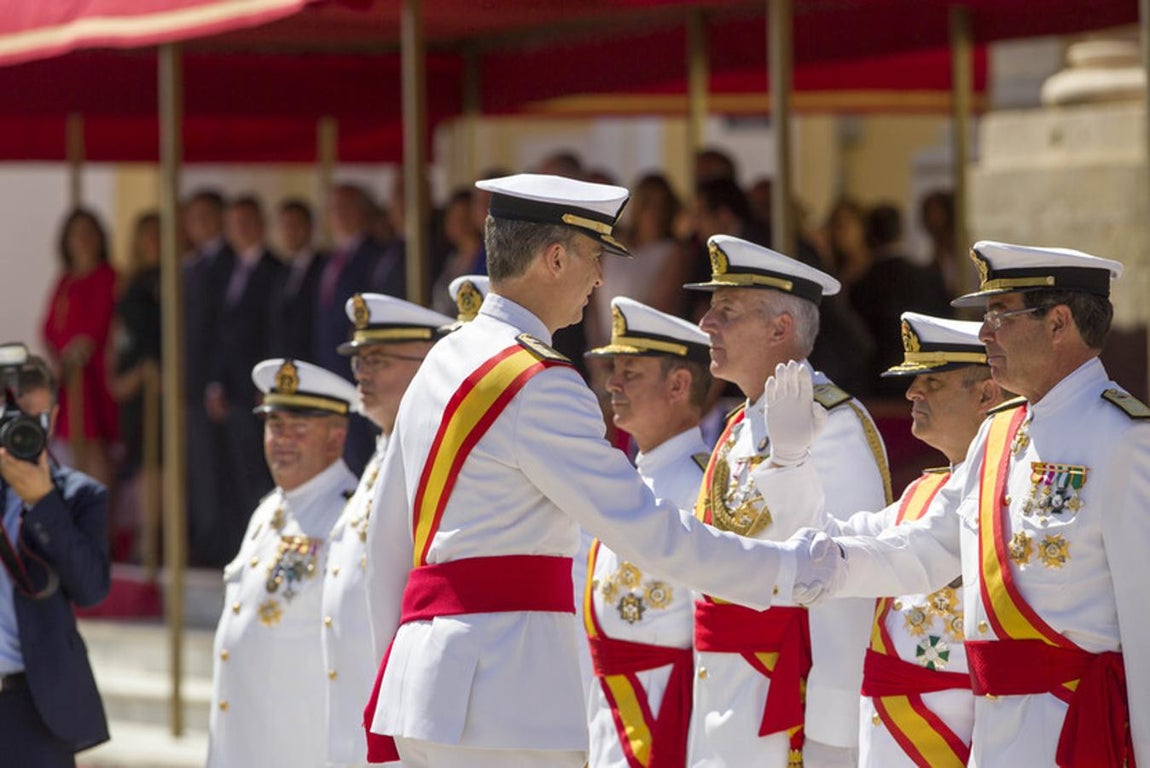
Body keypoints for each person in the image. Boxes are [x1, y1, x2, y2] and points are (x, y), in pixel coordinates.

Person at [362, 173, 835, 768]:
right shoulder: (540, 384)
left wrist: (394, 668)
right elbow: (648, 532)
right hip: (508, 699)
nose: (600, 278)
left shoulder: (445, 358)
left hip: (424, 688)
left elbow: (386, 547)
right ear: (555, 258)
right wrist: (786, 569)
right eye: (594, 257)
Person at [790, 241, 1149, 766]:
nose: (984, 334)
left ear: (1058, 323)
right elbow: (929, 546)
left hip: (1075, 733)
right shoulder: (1000, 432)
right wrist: (825, 565)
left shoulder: (1124, 439)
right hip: (996, 737)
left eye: (1001, 315)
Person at [685, 234, 890, 768]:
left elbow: (848, 584)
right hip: (724, 701)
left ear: (782, 328)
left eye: (726, 311)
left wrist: (832, 733)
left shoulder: (835, 425)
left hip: (787, 711)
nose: (707, 323)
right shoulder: (737, 423)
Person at [831, 312, 1004, 768]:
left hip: (957, 737)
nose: (912, 393)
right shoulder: (920, 492)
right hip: (888, 734)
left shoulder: (1003, 494)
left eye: (932, 382)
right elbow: (836, 538)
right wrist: (785, 469)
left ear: (986, 394)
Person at [322, 293, 453, 768]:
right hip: (357, 719)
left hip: (404, 722)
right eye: (358, 359)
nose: (361, 372)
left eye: (376, 359)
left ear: (426, 365)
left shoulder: (430, 462)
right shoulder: (383, 456)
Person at [581, 296, 713, 768]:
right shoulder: (627, 477)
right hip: (611, 716)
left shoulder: (702, 487)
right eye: (612, 369)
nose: (612, 383)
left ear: (678, 385)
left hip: (667, 718)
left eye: (630, 372)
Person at [207, 358, 358, 768]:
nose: (283, 439)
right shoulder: (269, 510)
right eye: (275, 426)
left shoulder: (352, 517)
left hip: (302, 749)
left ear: (335, 437)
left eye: (299, 428)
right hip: (245, 745)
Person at [0, 348, 110, 766]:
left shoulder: (79, 496)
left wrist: (43, 503)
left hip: (32, 708)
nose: (17, 432)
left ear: (56, 415)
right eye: (8, 419)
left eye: (32, 421)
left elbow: (92, 588)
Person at [40, 208, 119, 487]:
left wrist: (79, 349)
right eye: (77, 235)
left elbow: (101, 324)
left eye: (88, 234)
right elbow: (49, 328)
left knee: (94, 446)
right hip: (68, 377)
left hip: (95, 375)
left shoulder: (109, 277)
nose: (82, 241)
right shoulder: (65, 281)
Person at [269, 198, 326, 361]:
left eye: (296, 225)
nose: (291, 232)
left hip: (313, 360)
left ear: (310, 227)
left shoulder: (323, 267)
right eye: (286, 226)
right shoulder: (281, 271)